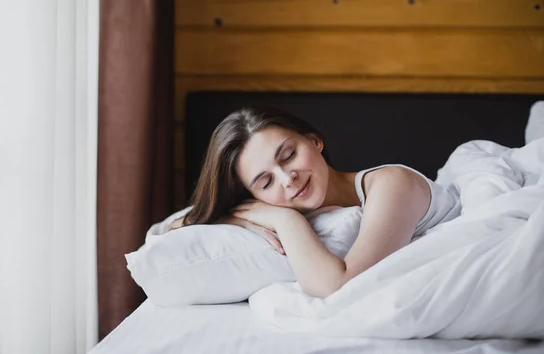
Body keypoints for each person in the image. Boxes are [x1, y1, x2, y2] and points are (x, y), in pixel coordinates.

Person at [171, 107, 460, 298]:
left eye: (288, 155)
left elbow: (340, 288)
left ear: (315, 142)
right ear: (255, 198)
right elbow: (177, 227)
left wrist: (285, 221)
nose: (287, 179)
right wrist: (238, 217)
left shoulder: (391, 184)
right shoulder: (291, 210)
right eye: (266, 182)